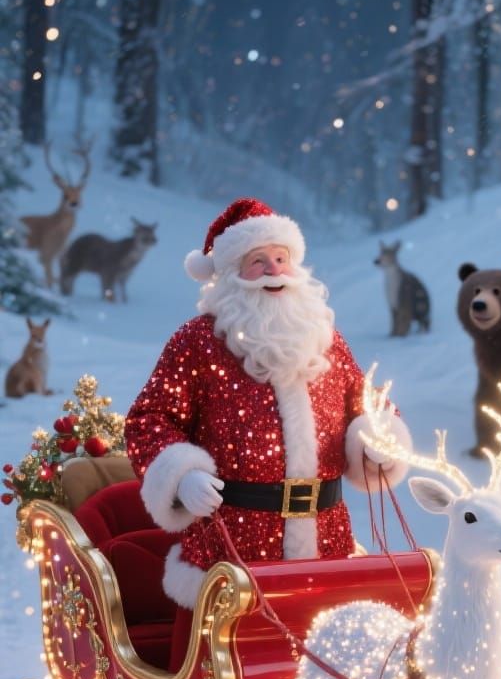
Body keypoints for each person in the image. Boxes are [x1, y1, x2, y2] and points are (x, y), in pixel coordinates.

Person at [124, 198, 411, 608]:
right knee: (241, 667)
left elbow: (366, 405)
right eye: (258, 261)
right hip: (233, 550)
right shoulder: (198, 341)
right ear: (229, 274)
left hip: (327, 544)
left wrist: (377, 441)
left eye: (281, 257)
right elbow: (148, 420)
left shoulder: (323, 338)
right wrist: (182, 475)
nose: (274, 270)